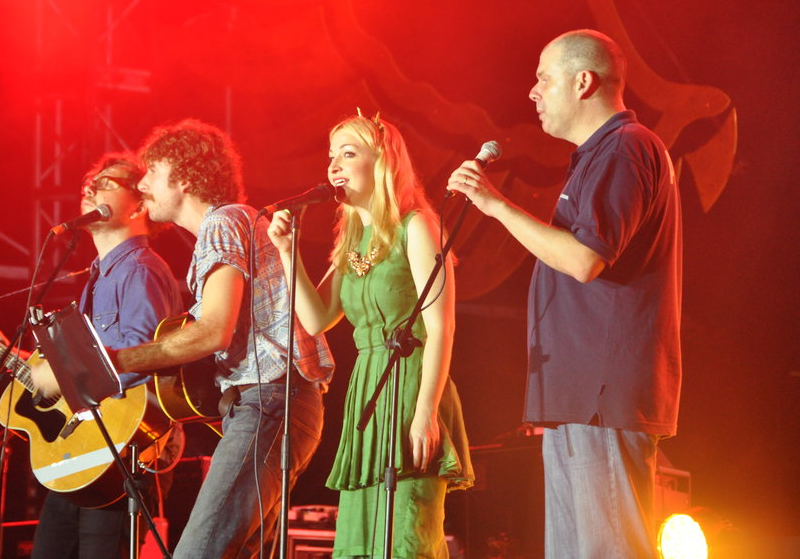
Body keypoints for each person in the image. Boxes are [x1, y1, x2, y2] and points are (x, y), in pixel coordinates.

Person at [447, 29, 682, 558]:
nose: (533, 92)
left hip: (603, 392)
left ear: (583, 82)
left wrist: (496, 205)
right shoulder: (601, 154)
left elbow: (583, 259)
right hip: (580, 395)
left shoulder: (627, 146)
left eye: (543, 79)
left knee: (608, 550)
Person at [108, 118, 335, 558]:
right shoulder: (235, 223)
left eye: (152, 170)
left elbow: (213, 331)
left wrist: (115, 362)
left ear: (185, 175)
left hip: (270, 402)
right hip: (280, 405)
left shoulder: (224, 221)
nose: (143, 182)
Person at [267, 112, 474, 558]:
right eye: (331, 157)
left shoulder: (416, 227)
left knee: (406, 536)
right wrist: (287, 254)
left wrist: (425, 412)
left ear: (381, 161)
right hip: (369, 390)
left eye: (348, 153)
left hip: (411, 383)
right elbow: (318, 317)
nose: (334, 166)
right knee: (363, 540)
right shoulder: (355, 241)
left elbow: (441, 326)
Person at [0, 152, 183, 559]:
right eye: (89, 180)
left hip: (119, 453)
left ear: (139, 203)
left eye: (106, 181)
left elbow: (143, 356)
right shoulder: (98, 276)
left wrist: (68, 372)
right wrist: (14, 355)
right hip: (81, 453)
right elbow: (79, 370)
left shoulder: (139, 269)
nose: (89, 186)